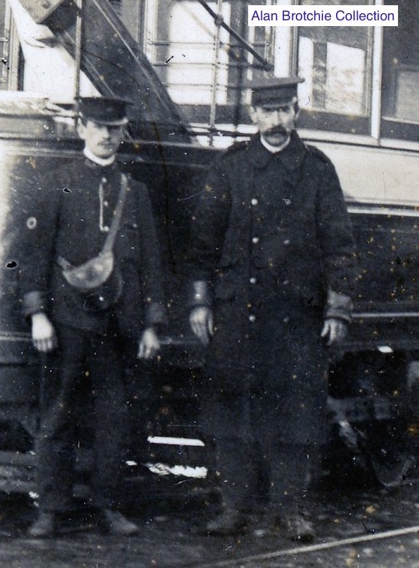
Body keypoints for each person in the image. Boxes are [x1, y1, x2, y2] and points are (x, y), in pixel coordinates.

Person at [187, 77, 357, 541]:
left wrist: (336, 309)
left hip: (295, 316)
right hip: (237, 313)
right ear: (254, 115)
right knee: (232, 416)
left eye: (285, 111)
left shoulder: (317, 169)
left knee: (295, 417)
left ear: (296, 112)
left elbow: (339, 246)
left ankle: (290, 510)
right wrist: (201, 303)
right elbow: (204, 242)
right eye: (268, 112)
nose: (277, 121)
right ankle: (234, 508)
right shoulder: (231, 167)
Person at [20, 96, 166, 538]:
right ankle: (52, 507)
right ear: (82, 128)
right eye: (99, 127)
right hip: (66, 323)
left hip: (119, 326)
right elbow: (33, 255)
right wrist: (37, 315)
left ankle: (109, 505)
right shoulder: (56, 183)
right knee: (58, 414)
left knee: (112, 419)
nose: (107, 136)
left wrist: (152, 324)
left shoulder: (133, 192)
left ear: (124, 132)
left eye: (116, 128)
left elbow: (152, 263)